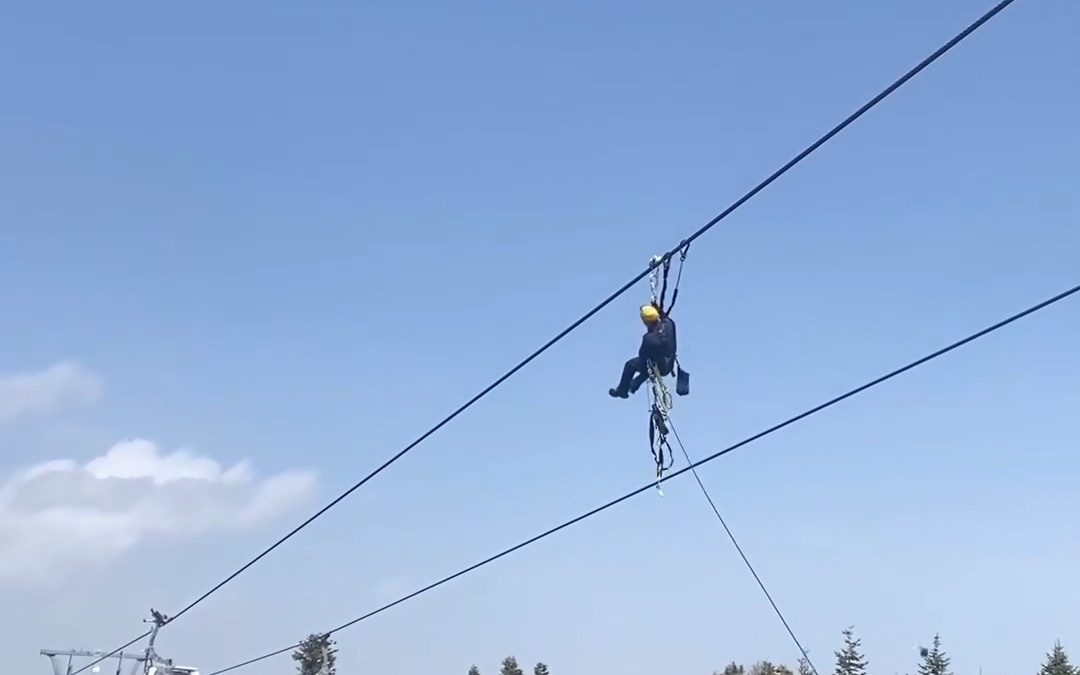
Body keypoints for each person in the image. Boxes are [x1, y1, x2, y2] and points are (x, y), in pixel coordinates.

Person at [609, 304, 677, 398]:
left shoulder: (649, 339)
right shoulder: (669, 323)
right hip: (670, 363)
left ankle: (622, 390)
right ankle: (634, 385)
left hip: (661, 368)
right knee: (649, 362)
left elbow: (643, 358)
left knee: (630, 365)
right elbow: (663, 316)